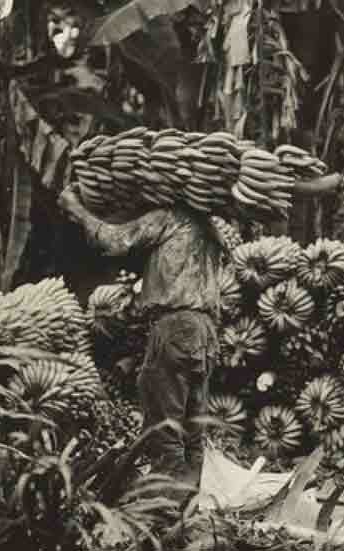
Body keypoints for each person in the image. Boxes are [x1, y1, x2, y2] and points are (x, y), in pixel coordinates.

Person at [58, 183, 225, 504]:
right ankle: (184, 507)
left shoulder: (169, 218)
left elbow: (114, 242)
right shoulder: (209, 228)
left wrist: (76, 209)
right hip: (205, 330)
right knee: (193, 427)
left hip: (175, 326)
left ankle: (160, 508)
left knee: (163, 424)